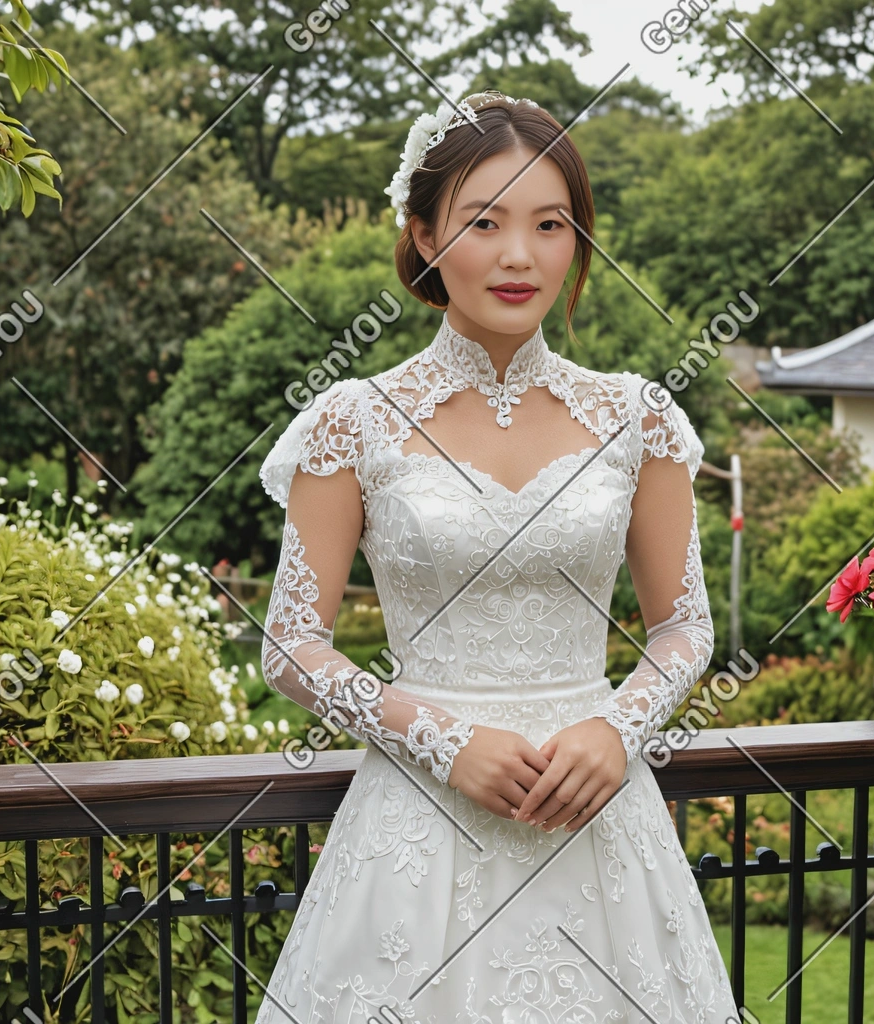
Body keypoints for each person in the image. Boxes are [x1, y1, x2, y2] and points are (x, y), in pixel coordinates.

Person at [255, 90, 740, 1023]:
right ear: (425, 234)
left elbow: (684, 626)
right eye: (485, 221)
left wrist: (617, 729)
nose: (520, 255)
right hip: (418, 827)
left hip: (598, 819)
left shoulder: (638, 418)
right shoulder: (354, 419)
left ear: (577, 239)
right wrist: (443, 742)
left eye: (550, 224)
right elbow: (290, 643)